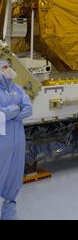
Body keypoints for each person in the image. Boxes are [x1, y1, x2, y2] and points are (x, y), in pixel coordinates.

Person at [0, 60, 32, 220]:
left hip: (18, 140)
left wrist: (9, 113)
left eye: (8, 66)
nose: (8, 69)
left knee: (14, 176)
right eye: (4, 67)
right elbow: (1, 115)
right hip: (2, 141)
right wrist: (16, 109)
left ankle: (9, 215)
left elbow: (29, 109)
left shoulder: (17, 88)